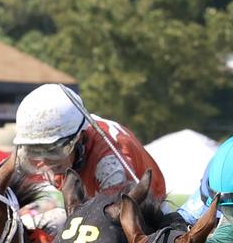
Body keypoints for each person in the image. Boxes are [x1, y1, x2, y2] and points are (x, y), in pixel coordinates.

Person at [12, 83, 166, 199]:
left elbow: (118, 218)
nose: (46, 161)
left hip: (144, 210)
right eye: (36, 150)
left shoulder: (109, 164)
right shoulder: (59, 144)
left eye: (53, 151)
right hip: (93, 200)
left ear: (78, 137)